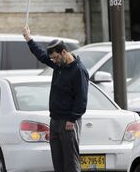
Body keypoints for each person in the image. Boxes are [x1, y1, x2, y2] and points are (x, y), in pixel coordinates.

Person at [22, 25, 89, 172]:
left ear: (64, 52)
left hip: (69, 122)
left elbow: (81, 99)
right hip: (55, 120)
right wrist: (28, 38)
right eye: (52, 58)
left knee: (71, 164)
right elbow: (41, 55)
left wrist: (72, 119)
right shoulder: (59, 66)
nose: (54, 61)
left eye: (56, 57)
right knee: (58, 164)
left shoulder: (78, 70)